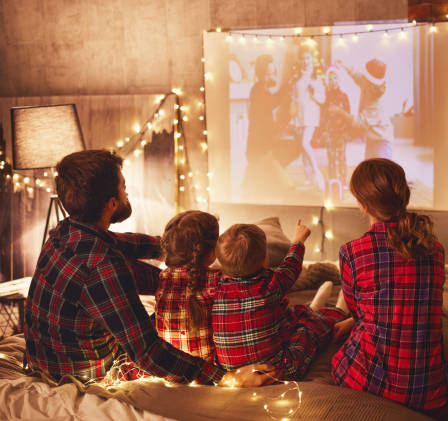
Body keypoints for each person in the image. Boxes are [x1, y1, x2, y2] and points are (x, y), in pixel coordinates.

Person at [23, 150, 273, 387]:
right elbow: (147, 352)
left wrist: (173, 248)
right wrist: (226, 377)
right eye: (123, 187)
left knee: (169, 284)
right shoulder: (104, 266)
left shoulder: (65, 231)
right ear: (111, 203)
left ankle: (180, 283)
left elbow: (123, 243)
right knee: (181, 313)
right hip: (82, 372)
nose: (127, 192)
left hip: (44, 359)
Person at [331, 158, 448, 420]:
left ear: (362, 204)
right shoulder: (435, 250)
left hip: (365, 380)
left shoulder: (351, 252)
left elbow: (360, 314)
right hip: (428, 393)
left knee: (339, 357)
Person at [212, 220, 346, 380]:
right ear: (265, 259)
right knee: (308, 329)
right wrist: (299, 240)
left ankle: (314, 307)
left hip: (235, 375)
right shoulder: (271, 285)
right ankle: (340, 310)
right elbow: (291, 266)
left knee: (292, 313)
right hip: (279, 371)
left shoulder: (215, 289)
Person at [155, 210, 220, 362]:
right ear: (211, 250)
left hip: (170, 365)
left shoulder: (163, 277)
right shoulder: (217, 280)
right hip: (207, 367)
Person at [335, 59, 394, 159]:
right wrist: (344, 65)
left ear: (369, 80)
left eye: (364, 76)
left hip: (382, 140)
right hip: (373, 136)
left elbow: (359, 122)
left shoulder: (375, 102)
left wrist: (339, 111)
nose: (362, 77)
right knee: (369, 167)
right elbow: (356, 75)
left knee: (381, 169)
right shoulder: (367, 83)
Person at [290, 46, 326, 192]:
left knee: (306, 143)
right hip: (299, 116)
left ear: (312, 59)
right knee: (303, 148)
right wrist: (293, 118)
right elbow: (294, 98)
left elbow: (322, 99)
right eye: (303, 58)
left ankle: (317, 172)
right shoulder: (297, 77)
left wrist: (313, 93)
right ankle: (308, 177)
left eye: (308, 58)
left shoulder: (316, 77)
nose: (305, 61)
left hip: (311, 115)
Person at [321, 66, 351, 189]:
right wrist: (323, 131)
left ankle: (343, 180)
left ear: (339, 80)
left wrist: (347, 132)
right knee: (331, 156)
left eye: (335, 78)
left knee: (341, 156)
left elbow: (348, 115)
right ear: (328, 81)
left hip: (342, 131)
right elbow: (322, 116)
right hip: (329, 132)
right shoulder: (325, 97)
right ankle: (333, 179)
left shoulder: (344, 96)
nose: (333, 81)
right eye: (330, 79)